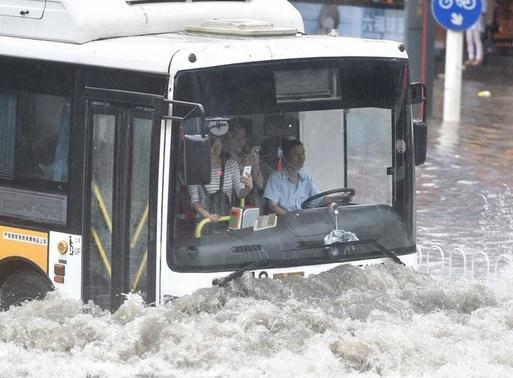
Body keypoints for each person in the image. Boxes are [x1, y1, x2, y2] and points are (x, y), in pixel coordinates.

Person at [188, 136, 253, 223]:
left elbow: (240, 194)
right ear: (203, 147)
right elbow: (194, 200)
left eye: (218, 145)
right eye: (212, 146)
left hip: (227, 218)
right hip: (205, 222)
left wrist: (248, 188)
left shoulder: (231, 165)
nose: (215, 149)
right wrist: (207, 215)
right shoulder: (195, 168)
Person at [263, 139, 319, 215]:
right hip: (284, 223)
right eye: (296, 155)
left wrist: (338, 197)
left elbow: (318, 199)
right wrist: (291, 218)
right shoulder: (276, 178)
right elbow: (272, 206)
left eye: (303, 153)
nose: (301, 158)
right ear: (285, 158)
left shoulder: (306, 179)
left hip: (304, 222)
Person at [227, 122, 264, 206]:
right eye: (236, 137)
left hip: (250, 203)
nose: (240, 141)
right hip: (229, 203)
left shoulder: (249, 157)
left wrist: (255, 165)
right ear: (228, 138)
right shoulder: (224, 160)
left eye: (243, 137)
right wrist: (242, 165)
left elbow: (260, 184)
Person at [465, 0, 488, 66]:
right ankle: (471, 57)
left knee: (477, 40)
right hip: (468, 21)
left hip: (477, 21)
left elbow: (484, 11)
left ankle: (479, 57)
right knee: (469, 40)